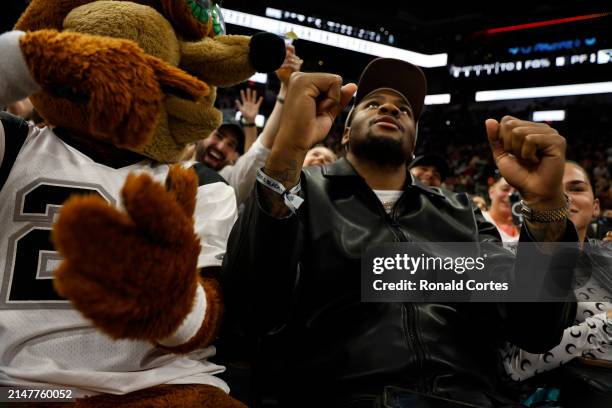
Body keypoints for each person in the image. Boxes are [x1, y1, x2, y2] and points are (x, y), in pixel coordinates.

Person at [222, 58, 578, 407]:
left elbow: (535, 329)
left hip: (467, 396)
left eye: (404, 109)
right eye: (374, 104)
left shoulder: (460, 212)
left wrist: (546, 206)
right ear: (345, 132)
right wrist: (288, 153)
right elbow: (249, 316)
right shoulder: (297, 194)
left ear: (414, 142)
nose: (390, 110)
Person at [195, 45, 303, 207]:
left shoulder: (228, 181)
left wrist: (285, 89)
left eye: (231, 145)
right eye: (219, 136)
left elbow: (258, 151)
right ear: (202, 136)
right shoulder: (174, 159)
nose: (222, 146)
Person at [483, 176, 520, 243]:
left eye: (516, 191)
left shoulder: (527, 226)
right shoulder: (478, 221)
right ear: (491, 192)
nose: (511, 195)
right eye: (505, 189)